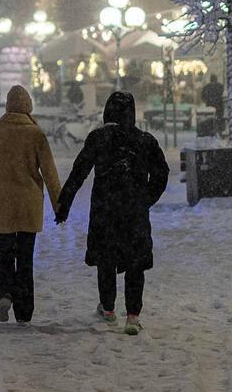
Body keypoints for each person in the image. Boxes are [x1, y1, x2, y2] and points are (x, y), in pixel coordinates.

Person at [55, 91, 171, 336]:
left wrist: (63, 204)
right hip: (134, 212)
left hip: (105, 210)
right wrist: (145, 198)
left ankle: (108, 309)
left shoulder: (98, 138)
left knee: (106, 260)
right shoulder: (144, 141)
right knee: (135, 263)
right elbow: (162, 173)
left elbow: (79, 172)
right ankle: (133, 315)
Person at [0, 84, 63, 325]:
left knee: (5, 253)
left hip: (2, 204)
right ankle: (24, 310)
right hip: (28, 205)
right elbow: (50, 173)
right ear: (28, 108)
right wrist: (59, 205)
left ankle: (4, 294)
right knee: (25, 257)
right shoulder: (36, 134)